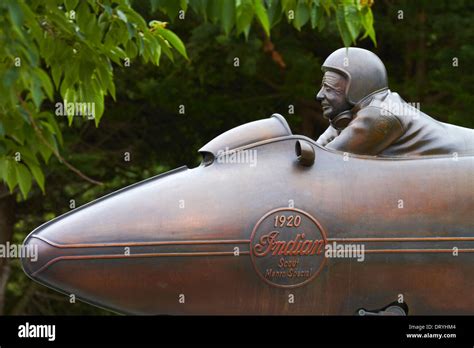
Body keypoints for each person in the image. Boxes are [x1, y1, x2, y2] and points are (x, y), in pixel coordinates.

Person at [316, 47, 474, 156]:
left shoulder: (379, 115)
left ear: (356, 89)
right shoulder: (373, 108)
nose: (319, 95)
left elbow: (324, 158)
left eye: (329, 89)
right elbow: (322, 144)